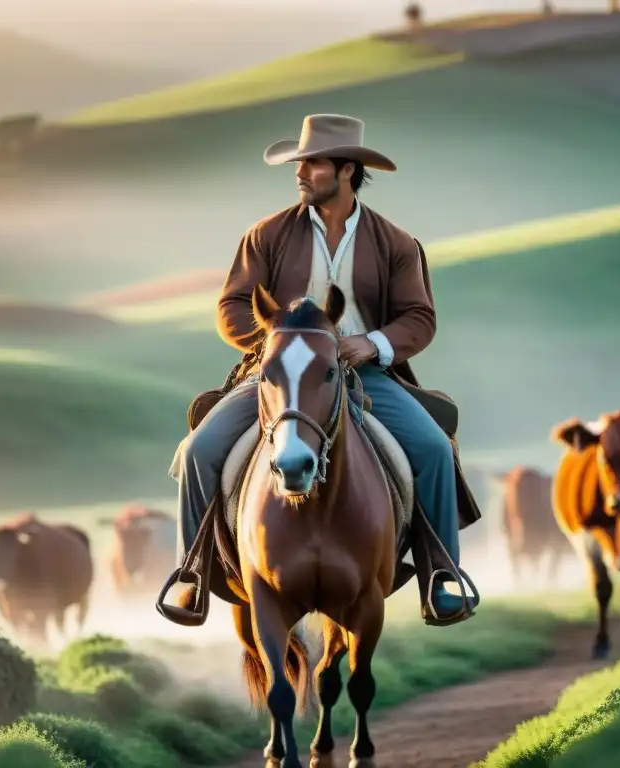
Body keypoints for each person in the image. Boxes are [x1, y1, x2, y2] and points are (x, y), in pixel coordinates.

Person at [169, 113, 481, 623]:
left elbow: (419, 319)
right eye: (301, 163)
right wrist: (278, 343)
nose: (301, 172)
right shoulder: (265, 235)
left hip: (367, 376)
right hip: (278, 375)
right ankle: (193, 574)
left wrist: (372, 343)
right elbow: (231, 307)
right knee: (198, 450)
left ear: (347, 171)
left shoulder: (397, 243)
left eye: (312, 164)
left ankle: (440, 575)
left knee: (433, 449)